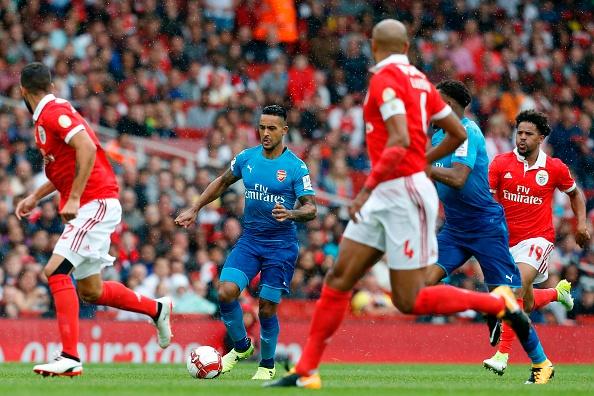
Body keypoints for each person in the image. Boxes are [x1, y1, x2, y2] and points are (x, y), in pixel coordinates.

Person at [265, 20, 532, 389]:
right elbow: (453, 132)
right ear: (406, 45)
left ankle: (498, 304)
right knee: (339, 277)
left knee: (409, 299)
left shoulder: (384, 81)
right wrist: (423, 162)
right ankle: (307, 370)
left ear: (374, 45)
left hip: (402, 194)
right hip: (390, 192)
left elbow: (400, 140)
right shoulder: (422, 82)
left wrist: (368, 187)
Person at [17, 62, 172, 377]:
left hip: (94, 201)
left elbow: (87, 147)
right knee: (91, 290)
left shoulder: (53, 112)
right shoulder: (46, 116)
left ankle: (69, 356)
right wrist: (36, 196)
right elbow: (66, 166)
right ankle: (156, 309)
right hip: (91, 201)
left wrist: (73, 197)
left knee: (55, 270)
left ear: (23, 91)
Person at [425, 80, 560, 384]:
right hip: (455, 228)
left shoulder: (467, 132)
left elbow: (459, 178)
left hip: (485, 227)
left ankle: (542, 364)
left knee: (511, 301)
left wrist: (423, 167)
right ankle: (486, 307)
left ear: (451, 105)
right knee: (421, 284)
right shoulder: (437, 136)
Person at [175, 104, 317, 380]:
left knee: (266, 306)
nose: (265, 133)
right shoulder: (246, 158)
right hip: (250, 240)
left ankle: (266, 364)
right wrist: (195, 208)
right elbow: (222, 181)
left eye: (272, 128)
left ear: (284, 131)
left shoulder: (296, 167)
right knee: (226, 291)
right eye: (262, 127)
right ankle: (241, 347)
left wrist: (292, 213)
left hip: (281, 245)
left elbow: (311, 208)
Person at [483, 109, 590, 378]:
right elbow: (487, 201)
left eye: (528, 134)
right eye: (519, 132)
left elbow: (576, 195)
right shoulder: (500, 164)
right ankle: (557, 294)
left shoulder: (554, 167)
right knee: (525, 305)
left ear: (541, 137)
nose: (522, 138)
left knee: (516, 288)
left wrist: (581, 224)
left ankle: (502, 355)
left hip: (538, 240)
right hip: (505, 242)